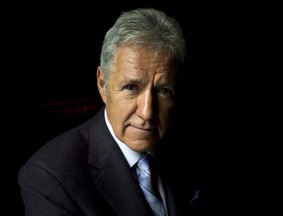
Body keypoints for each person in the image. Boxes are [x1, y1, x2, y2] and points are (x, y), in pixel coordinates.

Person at [18, 7, 244, 216]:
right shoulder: (50, 177)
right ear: (103, 84)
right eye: (131, 87)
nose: (147, 112)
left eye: (163, 90)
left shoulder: (198, 146)